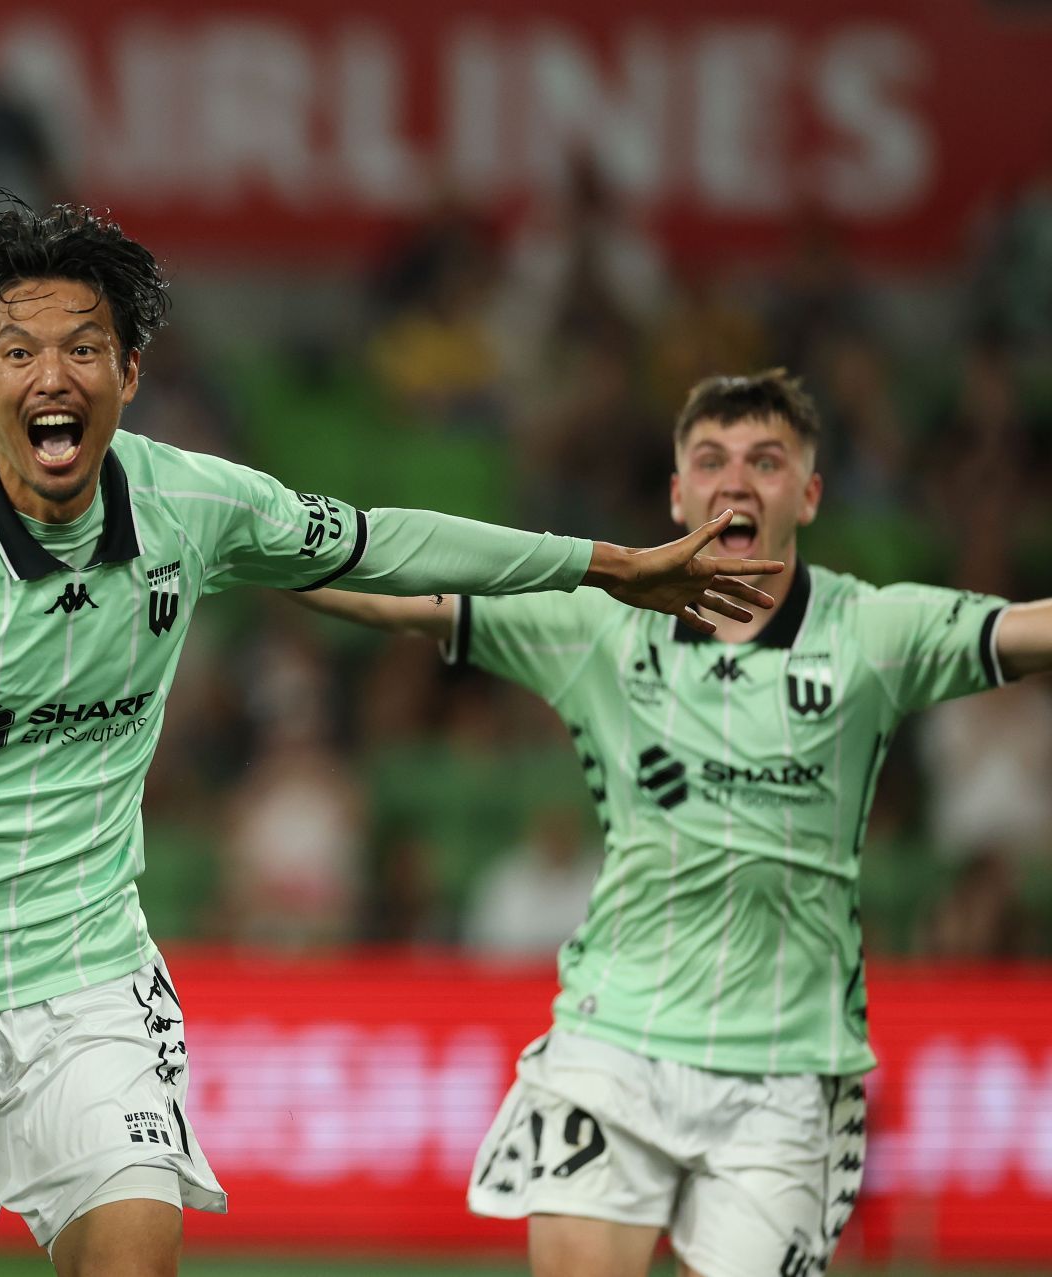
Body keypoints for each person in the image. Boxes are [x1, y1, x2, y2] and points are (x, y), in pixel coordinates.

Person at [0, 195, 779, 1277]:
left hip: (83, 980)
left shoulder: (190, 506)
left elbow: (381, 539)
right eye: (19, 352)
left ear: (130, 371)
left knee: (134, 1250)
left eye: (83, 348)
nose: (52, 375)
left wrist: (606, 564)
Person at [296, 368, 1052, 1277]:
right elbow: (391, 597)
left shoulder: (873, 632)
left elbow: (1025, 630)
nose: (736, 480)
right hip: (615, 1042)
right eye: (711, 458)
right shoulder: (599, 623)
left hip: (787, 1067)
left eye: (766, 461)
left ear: (807, 494)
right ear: (677, 491)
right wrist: (247, 542)